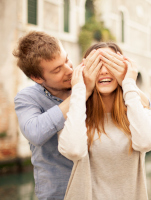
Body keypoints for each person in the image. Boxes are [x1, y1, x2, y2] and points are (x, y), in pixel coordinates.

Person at [58, 42, 151, 200]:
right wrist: (79, 88)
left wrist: (128, 83)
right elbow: (74, 150)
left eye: (111, 64)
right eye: (97, 65)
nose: (104, 71)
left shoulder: (138, 112)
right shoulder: (75, 115)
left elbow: (146, 142)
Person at [13, 31, 102, 200]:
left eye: (67, 60)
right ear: (37, 77)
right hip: (58, 193)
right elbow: (35, 133)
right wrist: (81, 93)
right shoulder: (26, 98)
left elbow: (141, 105)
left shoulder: (86, 80)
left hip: (97, 191)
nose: (69, 70)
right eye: (57, 70)